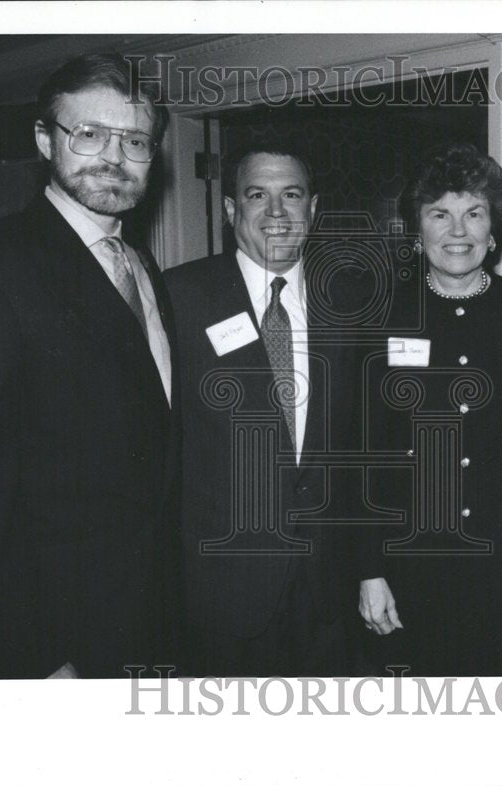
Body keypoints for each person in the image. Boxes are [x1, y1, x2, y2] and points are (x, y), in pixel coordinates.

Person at [0, 53, 181, 678]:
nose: (114, 155)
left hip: (153, 617)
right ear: (42, 140)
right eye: (88, 133)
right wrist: (35, 657)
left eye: (135, 140)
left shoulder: (142, 268)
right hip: (54, 639)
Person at [165, 145, 380, 675]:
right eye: (258, 195)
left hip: (327, 589)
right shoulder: (178, 297)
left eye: (292, 195)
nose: (277, 212)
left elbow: (360, 449)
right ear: (232, 210)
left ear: (314, 210)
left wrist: (369, 568)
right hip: (222, 589)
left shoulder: (352, 302)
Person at [360, 142, 502, 676]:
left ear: (494, 232)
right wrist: (368, 570)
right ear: (416, 231)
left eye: (474, 214)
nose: (458, 231)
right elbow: (366, 452)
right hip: (411, 563)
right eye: (439, 214)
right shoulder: (382, 315)